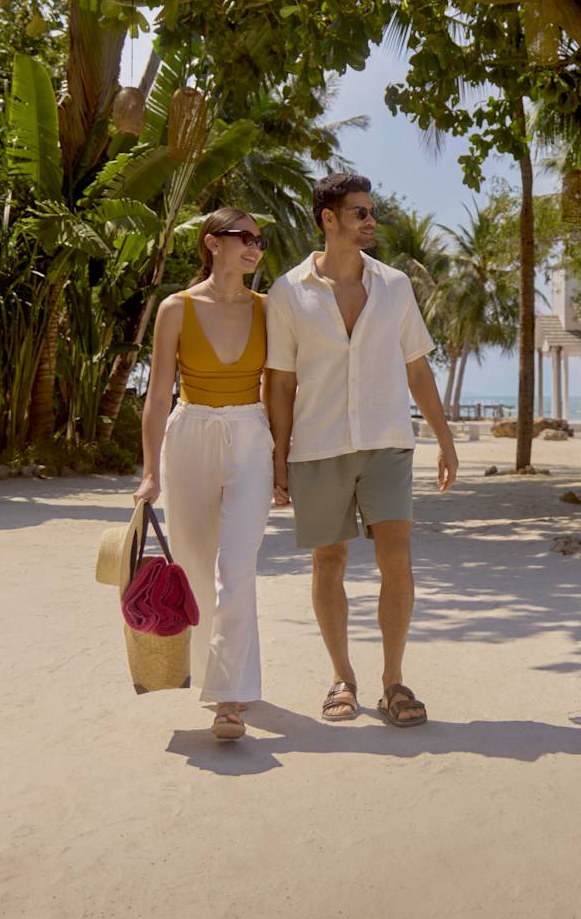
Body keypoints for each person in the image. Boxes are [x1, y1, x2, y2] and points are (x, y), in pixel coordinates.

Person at [266, 173, 458, 728]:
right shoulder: (288, 291)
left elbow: (416, 367)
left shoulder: (395, 286)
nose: (371, 221)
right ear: (328, 219)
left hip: (388, 443)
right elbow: (279, 381)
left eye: (371, 212)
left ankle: (393, 681)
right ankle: (342, 677)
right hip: (319, 445)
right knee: (330, 561)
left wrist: (444, 439)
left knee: (396, 560)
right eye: (359, 213)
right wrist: (279, 456)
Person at [133, 207, 273, 742]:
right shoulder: (176, 308)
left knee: (237, 566)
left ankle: (228, 698)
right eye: (244, 238)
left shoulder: (268, 309)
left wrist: (282, 464)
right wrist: (150, 474)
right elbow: (158, 394)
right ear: (213, 243)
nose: (254, 246)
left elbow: (282, 390)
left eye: (259, 240)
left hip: (250, 435)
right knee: (193, 565)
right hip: (188, 434)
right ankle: (222, 673)